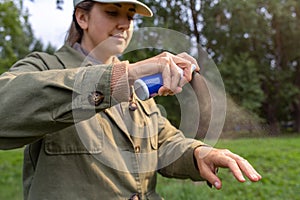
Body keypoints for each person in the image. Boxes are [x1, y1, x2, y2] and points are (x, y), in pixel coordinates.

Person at [0, 0, 262, 199]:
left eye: (130, 16)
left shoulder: (139, 83)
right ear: (82, 17)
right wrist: (123, 76)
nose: (124, 24)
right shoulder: (45, 66)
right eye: (112, 12)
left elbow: (163, 141)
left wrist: (197, 153)